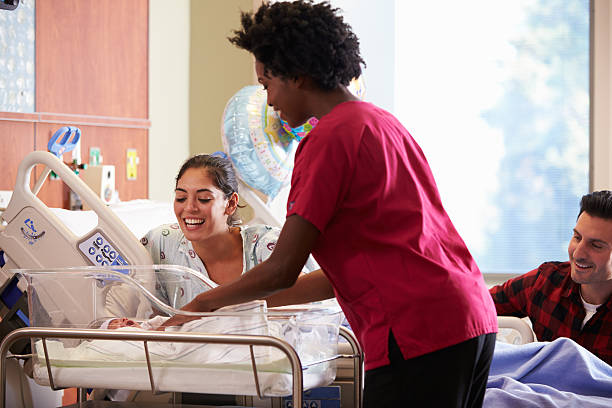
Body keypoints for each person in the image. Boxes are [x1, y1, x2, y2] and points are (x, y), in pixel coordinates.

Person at [161, 2, 498, 407]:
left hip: (415, 328)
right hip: (468, 316)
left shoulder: (327, 140)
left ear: (296, 74)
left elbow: (283, 268)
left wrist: (203, 303)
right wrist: (245, 306)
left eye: (267, 84)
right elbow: (333, 276)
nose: (268, 102)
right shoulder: (383, 124)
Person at [141, 153, 326, 309]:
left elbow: (305, 313)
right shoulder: (161, 243)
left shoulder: (266, 247)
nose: (189, 207)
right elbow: (133, 302)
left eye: (204, 199)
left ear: (230, 204)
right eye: (181, 198)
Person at [490, 190, 612, 365]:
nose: (578, 254)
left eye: (596, 245)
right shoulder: (546, 282)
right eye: (577, 237)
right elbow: (477, 306)